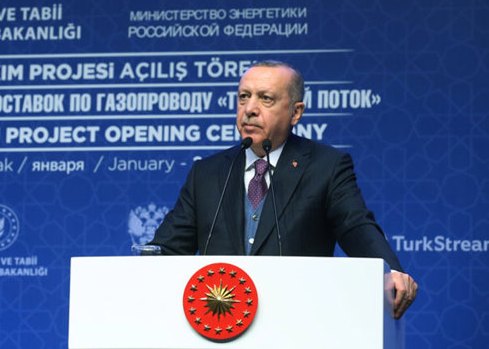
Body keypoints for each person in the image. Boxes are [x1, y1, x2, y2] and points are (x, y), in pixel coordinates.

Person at [149, 60, 417, 319]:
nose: (249, 109)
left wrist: (390, 271)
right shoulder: (207, 173)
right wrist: (142, 267)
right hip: (220, 321)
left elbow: (355, 225)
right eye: (244, 97)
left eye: (266, 99)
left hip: (296, 320)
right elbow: (166, 250)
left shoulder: (326, 167)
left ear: (296, 112)